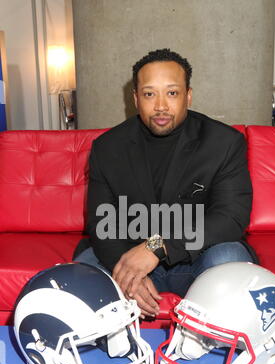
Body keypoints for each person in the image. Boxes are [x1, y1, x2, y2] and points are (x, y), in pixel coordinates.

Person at [74, 48, 257, 320]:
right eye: (149, 94)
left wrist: (157, 246)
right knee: (83, 270)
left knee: (229, 255)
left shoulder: (223, 143)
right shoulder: (108, 147)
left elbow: (230, 218)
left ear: (188, 95)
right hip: (133, 258)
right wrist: (129, 274)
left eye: (172, 93)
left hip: (199, 260)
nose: (161, 105)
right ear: (135, 98)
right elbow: (102, 224)